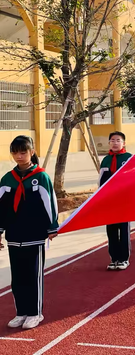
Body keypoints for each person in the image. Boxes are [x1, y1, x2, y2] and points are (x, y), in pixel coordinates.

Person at [0, 136, 58, 330]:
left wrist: (52, 227)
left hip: (34, 235)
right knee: (17, 277)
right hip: (14, 236)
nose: (19, 156)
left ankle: (35, 313)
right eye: (15, 152)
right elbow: (2, 208)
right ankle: (21, 312)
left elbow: (50, 203)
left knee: (33, 276)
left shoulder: (41, 177)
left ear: (32, 152)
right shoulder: (7, 179)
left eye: (23, 152)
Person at [99, 132, 132, 270]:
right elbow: (101, 181)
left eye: (118, 140)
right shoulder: (106, 160)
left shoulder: (129, 158)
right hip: (109, 201)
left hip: (124, 201)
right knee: (111, 231)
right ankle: (114, 259)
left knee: (123, 230)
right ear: (109, 143)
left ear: (123, 143)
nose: (115, 142)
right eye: (112, 140)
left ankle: (124, 259)